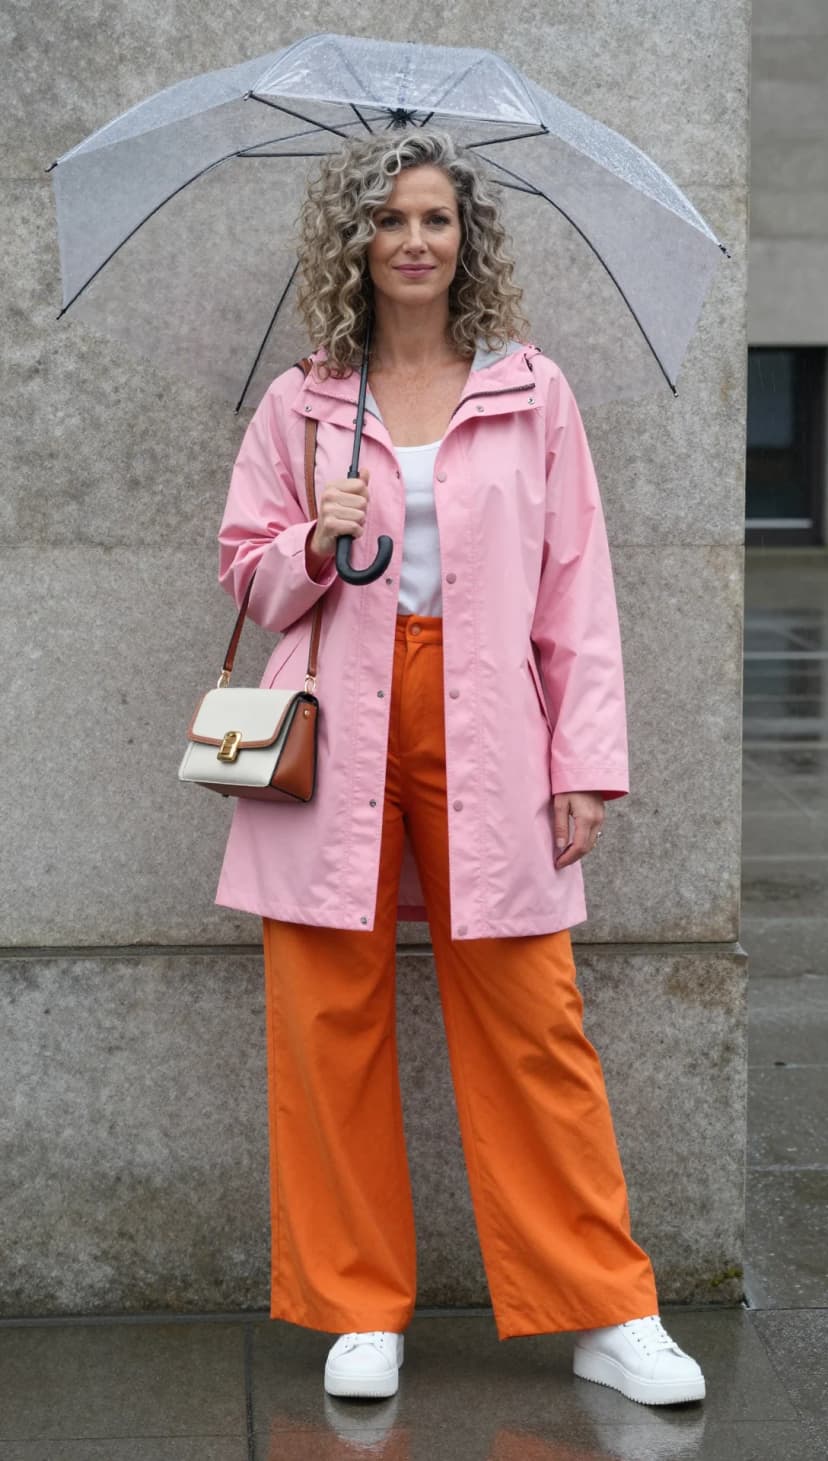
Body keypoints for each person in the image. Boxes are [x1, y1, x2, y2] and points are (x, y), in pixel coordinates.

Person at [215, 130, 705, 1408]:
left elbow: (576, 589)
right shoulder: (302, 400)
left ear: (465, 240)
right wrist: (311, 545)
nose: (415, 242)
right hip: (332, 722)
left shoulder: (532, 391)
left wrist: (585, 757)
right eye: (389, 221)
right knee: (326, 1013)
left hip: (492, 718)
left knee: (533, 1016)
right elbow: (246, 578)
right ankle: (354, 1304)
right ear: (357, 245)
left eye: (435, 219)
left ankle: (606, 1306)